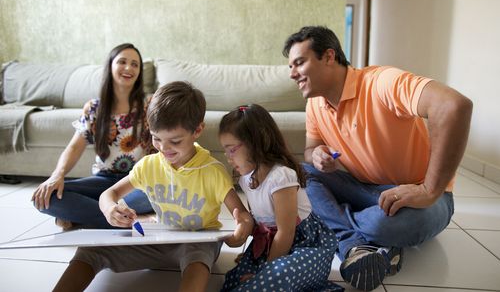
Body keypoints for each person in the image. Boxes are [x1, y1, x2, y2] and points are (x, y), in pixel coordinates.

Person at [282, 26, 473, 291]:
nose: (292, 74)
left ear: (328, 56)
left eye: (299, 63)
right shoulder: (315, 104)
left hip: (423, 196)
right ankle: (355, 244)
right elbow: (309, 151)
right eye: (290, 66)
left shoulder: (381, 81)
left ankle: (337, 226)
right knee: (301, 172)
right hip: (365, 189)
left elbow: (454, 106)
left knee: (380, 223)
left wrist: (429, 190)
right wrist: (316, 154)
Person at [52, 81, 254, 292]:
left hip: (197, 243)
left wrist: (240, 231)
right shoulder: (150, 165)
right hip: (158, 238)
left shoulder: (213, 170)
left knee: (198, 258)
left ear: (197, 130)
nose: (164, 148)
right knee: (89, 251)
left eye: (175, 141)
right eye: (156, 138)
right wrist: (110, 209)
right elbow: (109, 194)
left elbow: (242, 215)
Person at [218, 104, 343, 292]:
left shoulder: (281, 177)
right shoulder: (246, 178)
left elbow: (286, 232)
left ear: (255, 142)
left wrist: (264, 270)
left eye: (232, 150)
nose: (228, 157)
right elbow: (260, 221)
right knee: (236, 278)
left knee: (279, 273)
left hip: (305, 244)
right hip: (273, 246)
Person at [31, 43, 155, 229]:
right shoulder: (94, 108)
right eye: (122, 62)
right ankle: (125, 217)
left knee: (156, 195)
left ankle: (89, 215)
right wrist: (57, 176)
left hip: (138, 182)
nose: (129, 68)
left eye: (135, 64)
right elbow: (74, 147)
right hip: (103, 181)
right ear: (110, 66)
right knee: (46, 196)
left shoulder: (150, 104)